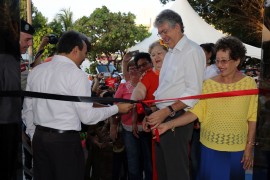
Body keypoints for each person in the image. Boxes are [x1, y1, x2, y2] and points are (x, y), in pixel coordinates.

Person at [22, 30, 133, 180]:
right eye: (84, 52)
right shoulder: (76, 74)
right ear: (75, 50)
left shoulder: (37, 71)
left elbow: (27, 109)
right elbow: (87, 117)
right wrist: (116, 109)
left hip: (40, 139)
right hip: (64, 142)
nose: (84, 57)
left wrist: (33, 134)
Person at [155, 36, 258, 180]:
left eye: (224, 61)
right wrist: (168, 124)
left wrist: (249, 147)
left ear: (237, 61)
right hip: (210, 148)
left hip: (237, 149)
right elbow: (195, 113)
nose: (220, 65)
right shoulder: (208, 85)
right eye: (217, 60)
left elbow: (252, 117)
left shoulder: (249, 85)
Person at [146, 9, 206, 180]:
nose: (163, 37)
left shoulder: (192, 51)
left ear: (177, 27)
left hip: (176, 117)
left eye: (165, 31)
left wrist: (166, 112)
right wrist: (151, 113)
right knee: (164, 170)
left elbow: (194, 93)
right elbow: (163, 90)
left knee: (176, 172)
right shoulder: (171, 53)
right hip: (163, 115)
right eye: (160, 33)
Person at [131, 40, 168, 180]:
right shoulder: (148, 75)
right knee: (156, 163)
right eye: (153, 55)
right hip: (155, 123)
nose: (156, 57)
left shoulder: (176, 72)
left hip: (175, 121)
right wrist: (134, 100)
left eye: (159, 53)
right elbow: (139, 90)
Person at [111, 60, 152, 180]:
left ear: (140, 70)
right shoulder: (123, 86)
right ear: (127, 72)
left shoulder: (146, 83)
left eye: (136, 68)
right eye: (130, 69)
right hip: (128, 130)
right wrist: (113, 126)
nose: (133, 71)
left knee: (148, 161)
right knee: (133, 162)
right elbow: (115, 106)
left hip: (147, 129)